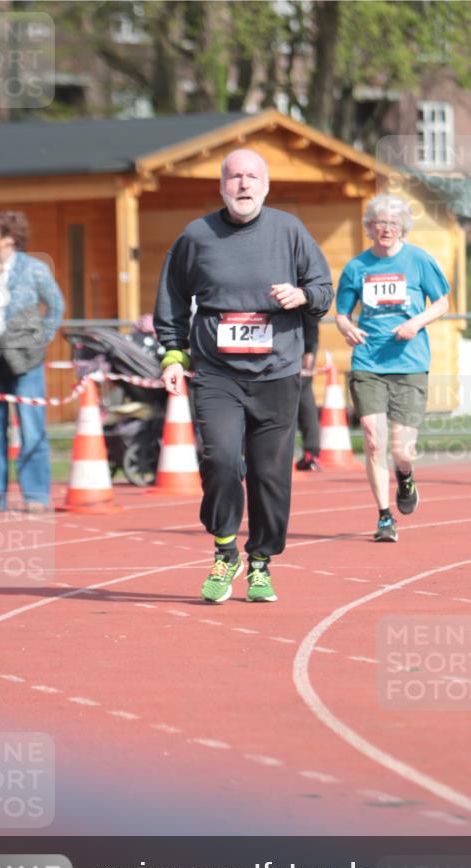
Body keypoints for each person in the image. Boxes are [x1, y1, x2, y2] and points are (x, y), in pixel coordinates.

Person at [154, 148, 333, 602]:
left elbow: (323, 289)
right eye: (234, 177)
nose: (244, 184)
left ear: (266, 186)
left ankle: (260, 563)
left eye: (252, 176)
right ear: (221, 187)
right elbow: (173, 298)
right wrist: (173, 355)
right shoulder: (197, 236)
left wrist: (302, 296)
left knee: (270, 473)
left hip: (277, 371)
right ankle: (224, 550)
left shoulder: (289, 231)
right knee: (219, 459)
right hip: (217, 372)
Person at [335, 194, 450, 542]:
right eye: (380, 223)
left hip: (409, 363)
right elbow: (342, 314)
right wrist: (347, 328)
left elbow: (442, 302)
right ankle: (385, 517)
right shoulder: (357, 267)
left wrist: (416, 322)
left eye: (393, 224)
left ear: (403, 228)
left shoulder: (418, 260)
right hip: (368, 362)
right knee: (373, 439)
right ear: (369, 227)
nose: (386, 229)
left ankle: (405, 475)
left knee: (401, 449)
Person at [0, 211, 64, 512]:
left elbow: (56, 306)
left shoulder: (34, 268)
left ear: (10, 238)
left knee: (31, 426)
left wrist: (39, 340)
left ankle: (36, 496)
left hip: (25, 359)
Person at [295, 313, 322, 471]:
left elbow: (311, 310)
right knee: (303, 394)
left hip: (301, 338)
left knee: (301, 393)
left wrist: (308, 348)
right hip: (295, 336)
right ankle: (311, 453)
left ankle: (311, 453)